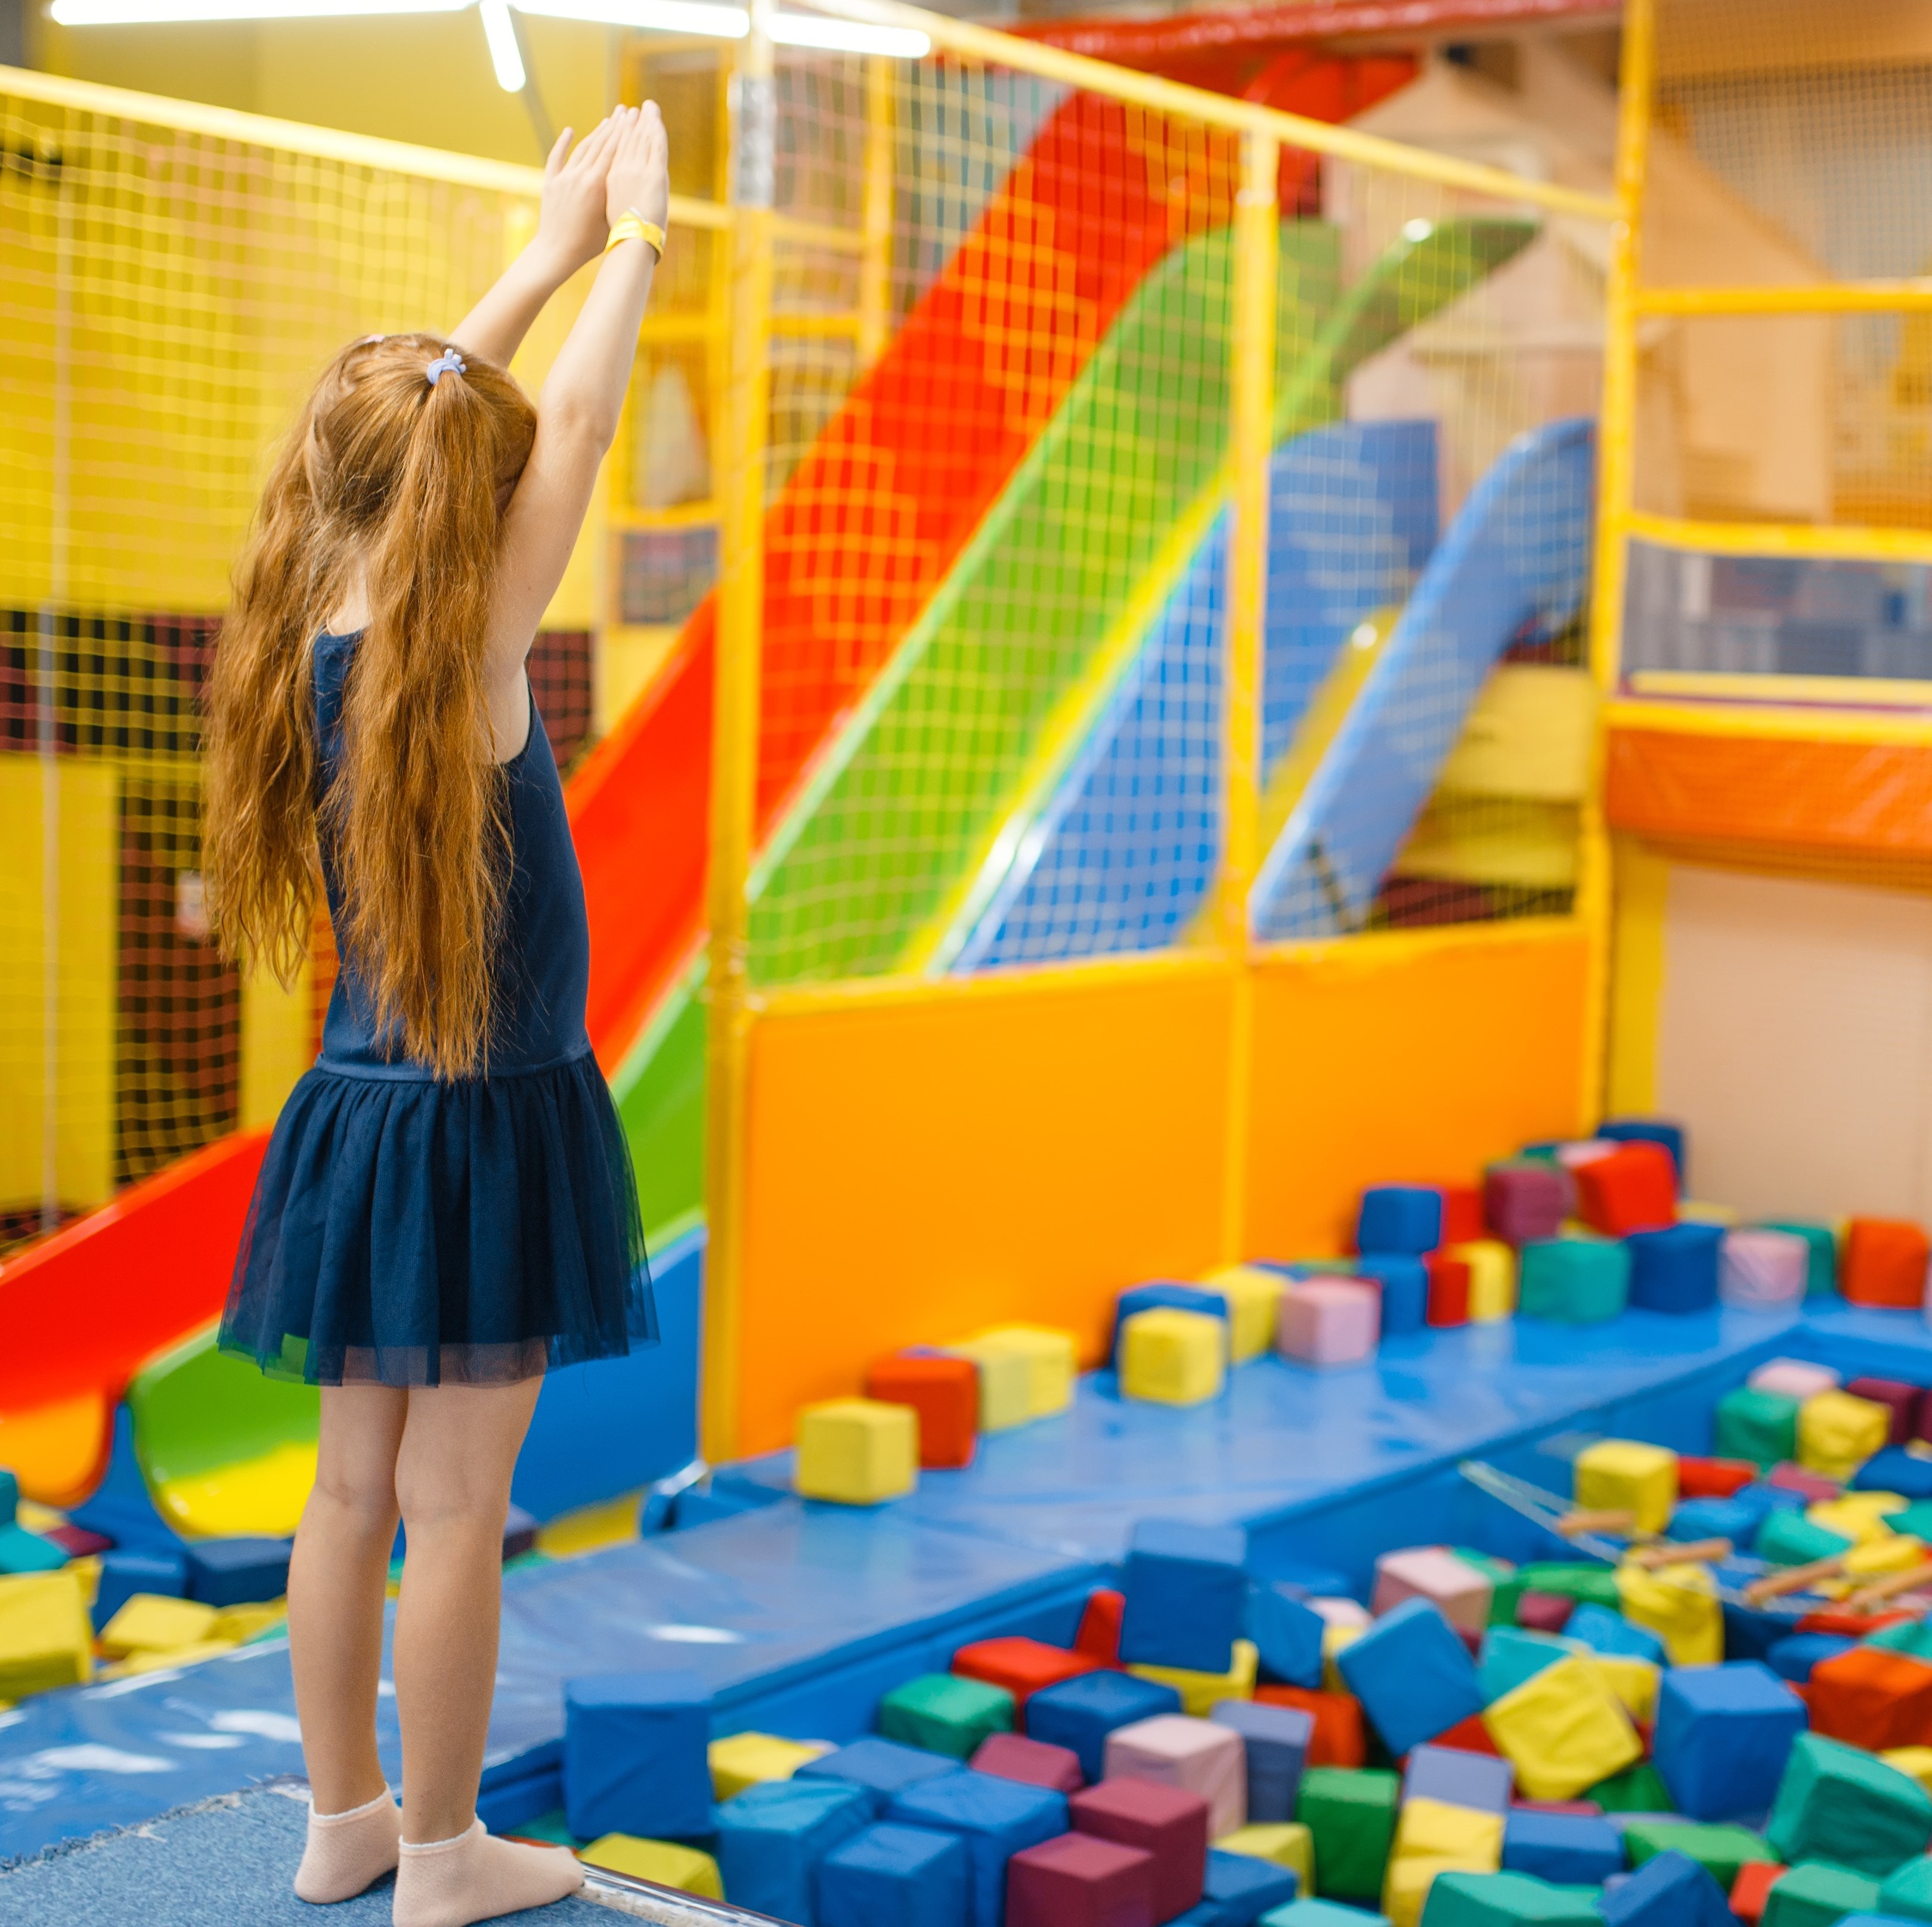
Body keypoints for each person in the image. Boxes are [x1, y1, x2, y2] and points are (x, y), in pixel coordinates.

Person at [202, 103, 670, 1926]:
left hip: (358, 1112)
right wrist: (632, 243)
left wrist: (542, 255)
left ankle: (344, 1822)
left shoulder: (312, 614)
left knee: (347, 1495)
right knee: (458, 1510)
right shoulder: (469, 651)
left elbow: (398, 437)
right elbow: (586, 426)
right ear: (461, 495)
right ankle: (449, 1856)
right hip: (491, 1118)